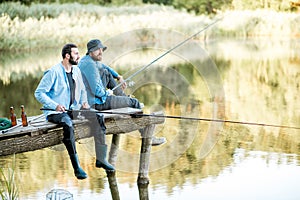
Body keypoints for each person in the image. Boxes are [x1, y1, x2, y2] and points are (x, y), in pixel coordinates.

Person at [35, 43, 114, 180]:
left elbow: (82, 89)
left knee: (98, 116)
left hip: (74, 109)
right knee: (67, 123)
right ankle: (76, 167)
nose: (78, 56)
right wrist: (55, 105)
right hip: (56, 113)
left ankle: (101, 159)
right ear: (67, 56)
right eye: (76, 53)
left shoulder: (76, 71)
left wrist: (84, 102)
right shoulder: (53, 72)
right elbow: (39, 93)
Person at [78, 39, 166, 145]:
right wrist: (107, 93)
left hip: (93, 100)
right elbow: (96, 91)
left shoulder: (87, 60)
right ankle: (148, 138)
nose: (101, 52)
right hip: (96, 103)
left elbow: (105, 67)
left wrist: (118, 76)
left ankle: (124, 98)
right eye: (97, 50)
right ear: (91, 51)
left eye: (101, 49)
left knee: (106, 73)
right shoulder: (90, 66)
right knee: (134, 103)